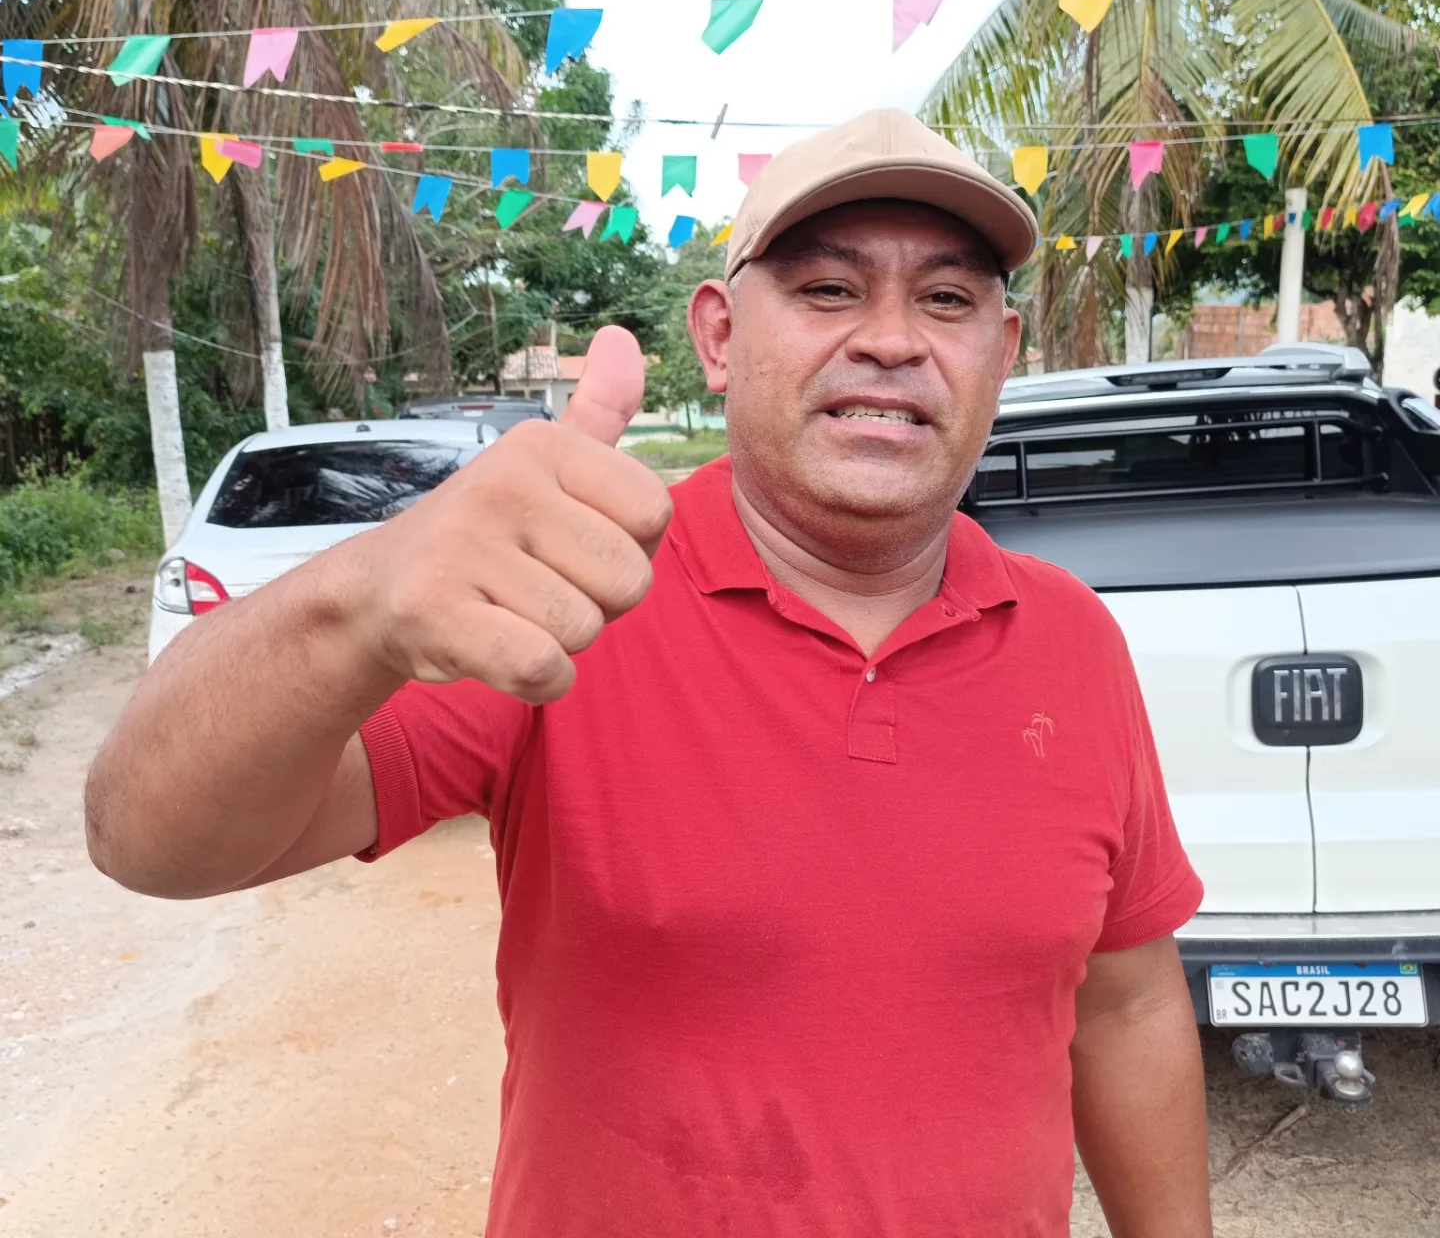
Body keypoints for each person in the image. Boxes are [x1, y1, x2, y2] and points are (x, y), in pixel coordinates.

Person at [86, 109, 1210, 1237]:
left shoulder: (1071, 637)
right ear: (718, 335)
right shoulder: (567, 597)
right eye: (828, 289)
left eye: (948, 298)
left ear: (1001, 355)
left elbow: (1126, 1005)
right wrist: (358, 599)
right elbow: (148, 840)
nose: (891, 339)